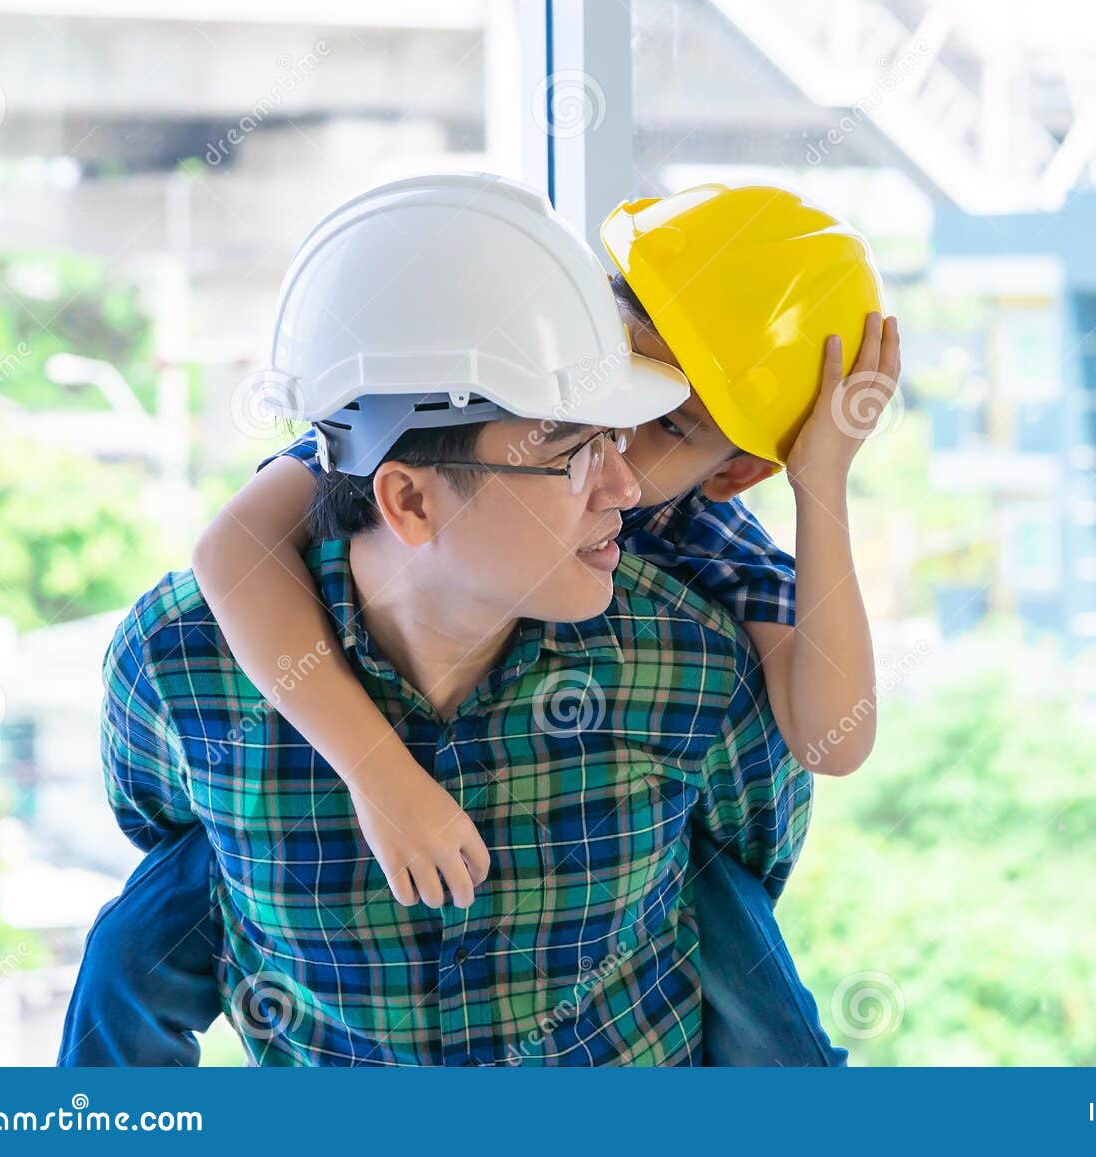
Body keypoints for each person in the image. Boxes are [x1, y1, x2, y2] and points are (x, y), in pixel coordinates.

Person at [59, 176, 896, 1066]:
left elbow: (821, 753)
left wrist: (823, 482)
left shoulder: (703, 603)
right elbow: (231, 553)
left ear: (732, 472)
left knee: (724, 911)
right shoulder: (423, 416)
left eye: (663, 423)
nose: (621, 449)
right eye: (601, 412)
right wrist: (378, 771)